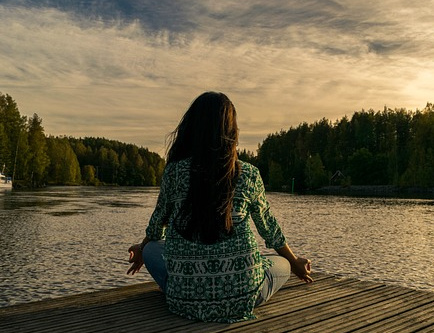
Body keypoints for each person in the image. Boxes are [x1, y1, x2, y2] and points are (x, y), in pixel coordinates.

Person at [127, 91, 313, 323]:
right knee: (282, 263)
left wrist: (142, 248)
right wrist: (295, 262)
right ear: (231, 131)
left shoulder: (174, 172)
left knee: (153, 248)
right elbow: (269, 230)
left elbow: (157, 226)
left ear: (191, 128)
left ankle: (185, 286)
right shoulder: (248, 174)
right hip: (243, 297)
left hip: (183, 300)